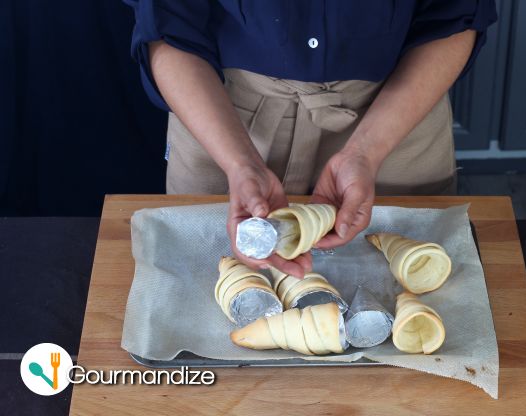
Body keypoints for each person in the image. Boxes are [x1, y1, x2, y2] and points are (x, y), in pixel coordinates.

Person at [124, 1, 497, 277]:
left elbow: (454, 15)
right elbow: (164, 24)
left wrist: (366, 153)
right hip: (223, 123)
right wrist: (241, 164)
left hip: (396, 121)